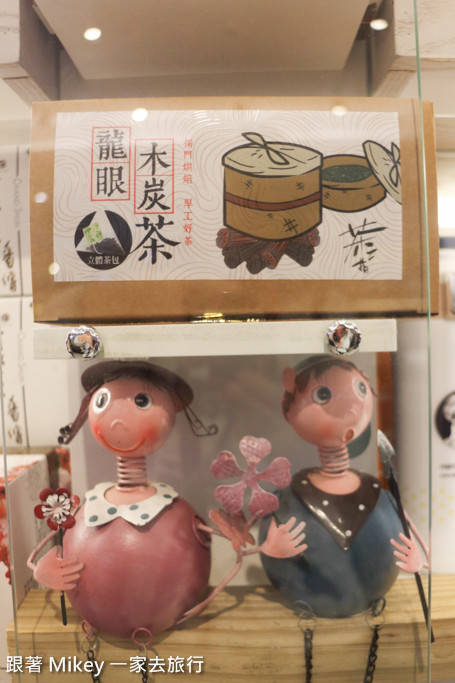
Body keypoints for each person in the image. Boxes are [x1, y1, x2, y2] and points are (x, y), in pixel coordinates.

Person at [260, 355, 427, 618]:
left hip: (369, 605)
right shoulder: (287, 499)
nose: (352, 405)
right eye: (323, 394)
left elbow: (411, 536)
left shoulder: (379, 494)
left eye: (361, 388)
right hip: (308, 604)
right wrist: (271, 551)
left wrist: (418, 559)